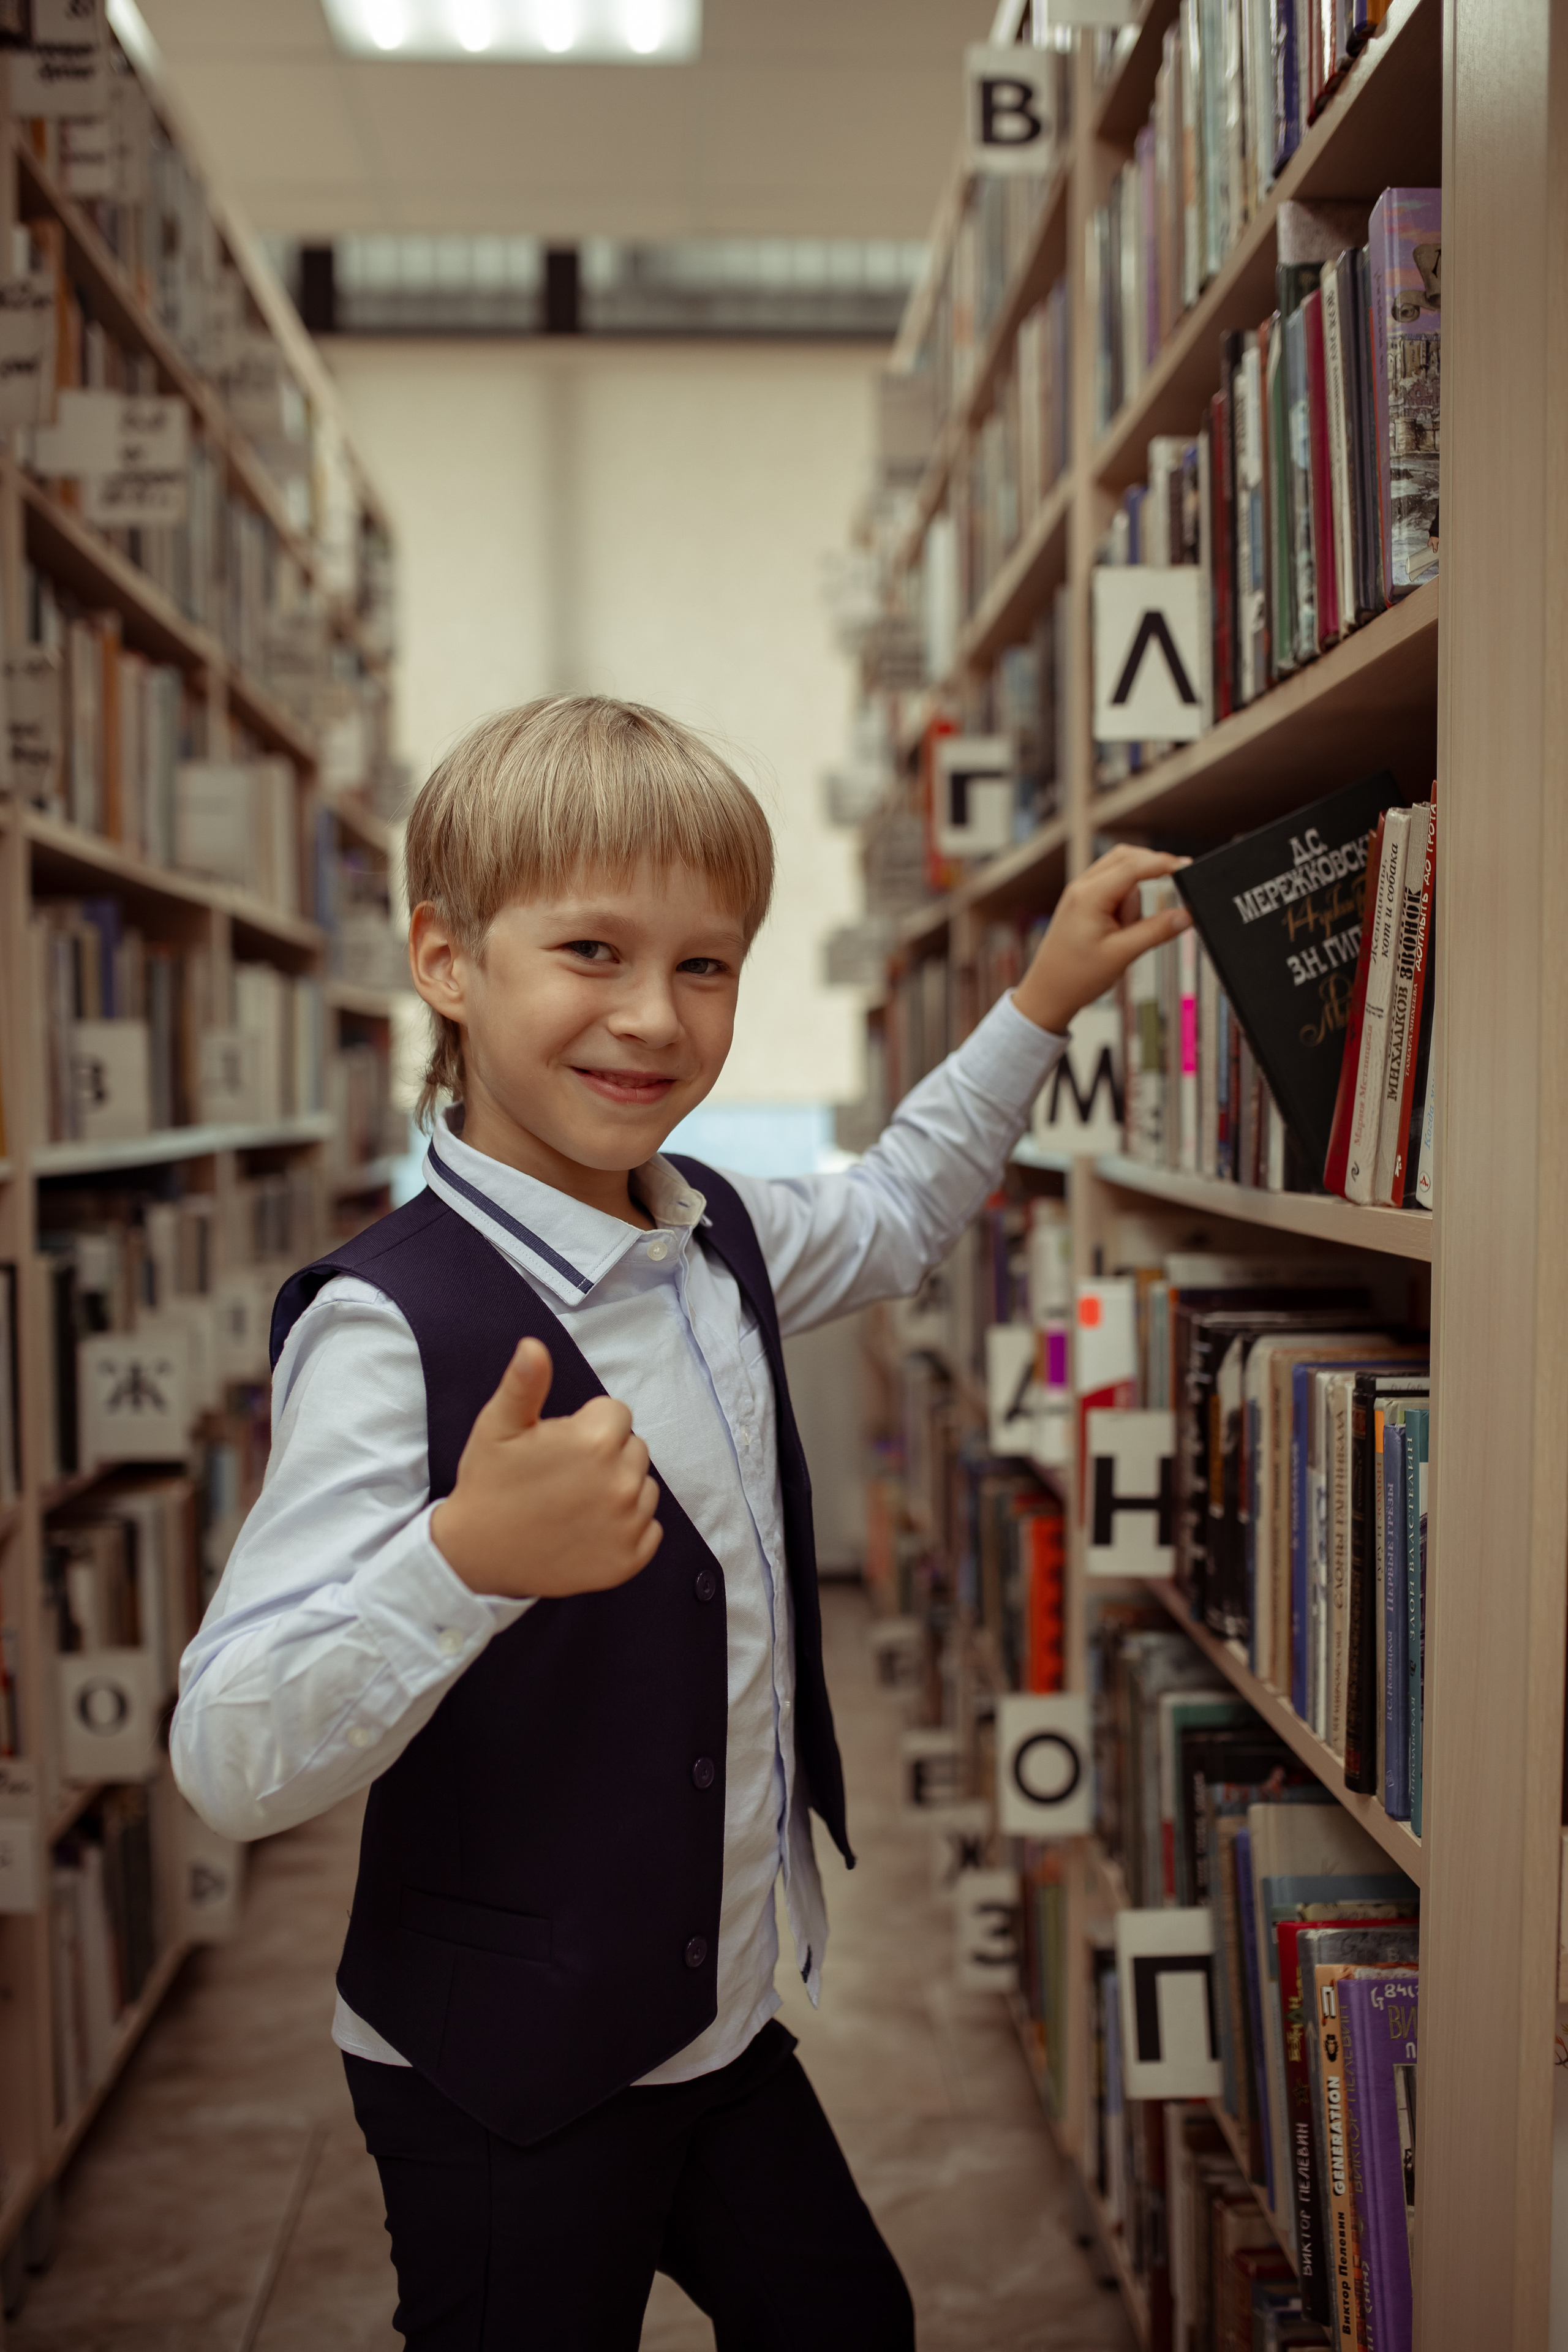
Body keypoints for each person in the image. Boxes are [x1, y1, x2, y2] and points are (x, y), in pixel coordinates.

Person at [172, 695, 1191, 2350]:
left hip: (711, 2023)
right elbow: (226, 1756)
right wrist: (460, 1567)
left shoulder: (714, 1229)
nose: (654, 1017)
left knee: (850, 2323)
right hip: (507, 2078)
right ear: (446, 960)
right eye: (590, 950)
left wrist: (1040, 1002)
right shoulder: (385, 1326)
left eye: (705, 965)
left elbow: (897, 1208)